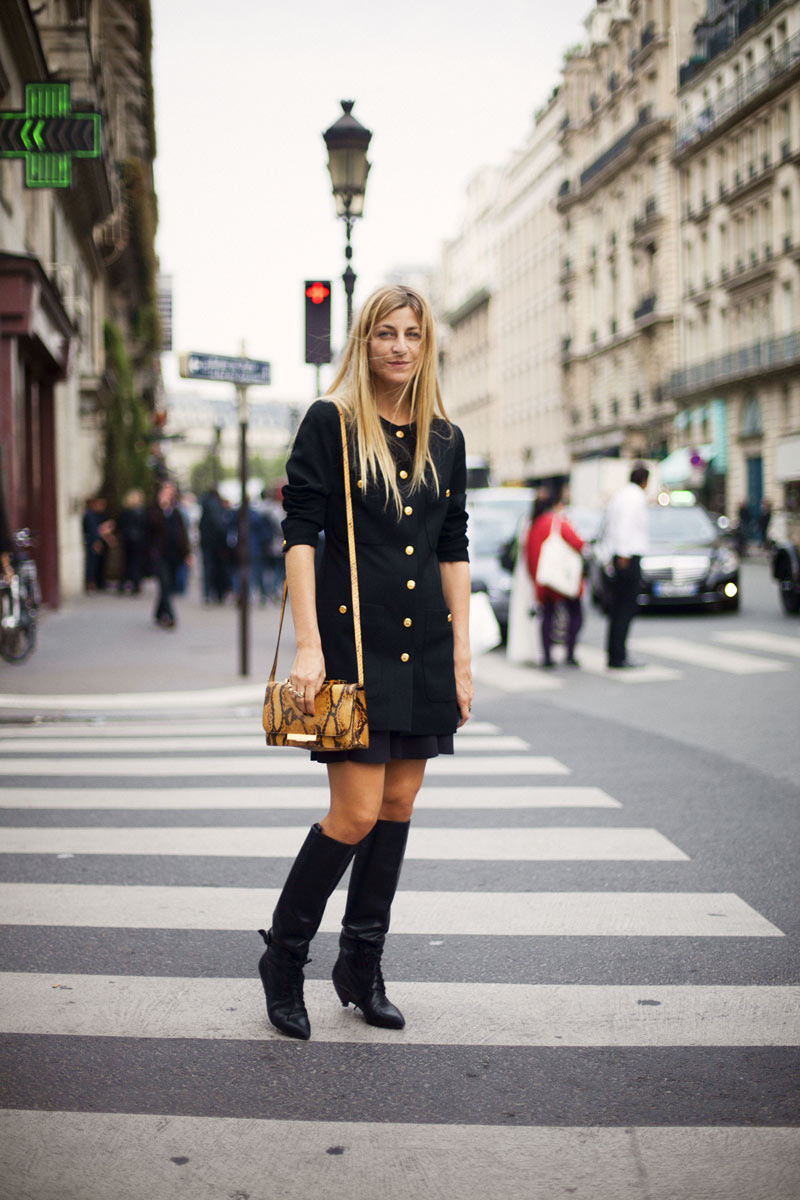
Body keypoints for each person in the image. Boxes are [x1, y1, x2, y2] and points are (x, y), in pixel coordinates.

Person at [258, 284, 473, 1041]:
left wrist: (463, 657)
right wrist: (309, 644)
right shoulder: (333, 422)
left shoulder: (445, 438)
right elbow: (300, 537)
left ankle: (360, 966)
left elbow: (453, 547)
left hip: (425, 647)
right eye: (386, 332)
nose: (400, 347)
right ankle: (284, 958)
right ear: (364, 340)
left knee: (398, 805)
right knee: (353, 813)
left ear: (426, 343)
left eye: (412, 334)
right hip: (352, 646)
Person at [525, 491, 584, 668]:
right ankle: (570, 652)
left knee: (547, 617)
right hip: (562, 579)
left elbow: (529, 557)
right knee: (576, 615)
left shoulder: (534, 526)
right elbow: (578, 543)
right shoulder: (557, 522)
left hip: (545, 580)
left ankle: (547, 656)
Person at [604, 462, 649, 669]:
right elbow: (625, 525)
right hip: (628, 557)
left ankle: (615, 653)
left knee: (618, 608)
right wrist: (623, 554)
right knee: (625, 608)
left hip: (620, 555)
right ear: (644, 481)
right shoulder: (635, 497)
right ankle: (618, 655)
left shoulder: (621, 495)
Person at [146, 480, 191, 628]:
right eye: (165, 491)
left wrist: (187, 554)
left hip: (174, 554)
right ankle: (170, 616)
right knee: (164, 583)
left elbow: (182, 534)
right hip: (159, 554)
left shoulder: (176, 512)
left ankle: (159, 613)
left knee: (168, 585)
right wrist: (162, 508)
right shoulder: (154, 510)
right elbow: (151, 527)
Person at [116, 489, 147, 594]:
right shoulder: (139, 512)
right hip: (135, 540)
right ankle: (134, 584)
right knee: (134, 562)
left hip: (129, 540)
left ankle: (125, 584)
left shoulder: (127, 512)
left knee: (128, 562)